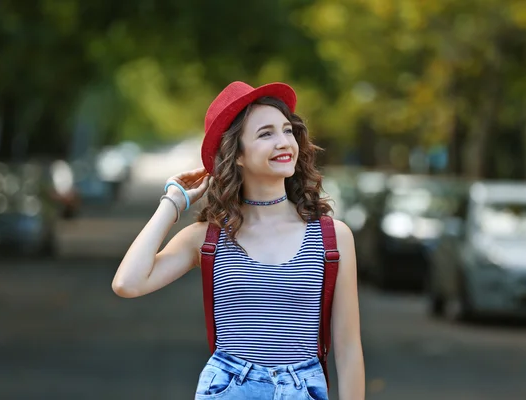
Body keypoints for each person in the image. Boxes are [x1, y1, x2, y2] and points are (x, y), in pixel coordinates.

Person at [112, 81, 365, 399]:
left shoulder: (333, 237)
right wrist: (172, 203)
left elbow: (348, 347)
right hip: (229, 388)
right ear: (238, 155)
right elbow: (128, 283)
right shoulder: (208, 238)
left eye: (287, 130)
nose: (284, 142)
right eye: (266, 134)